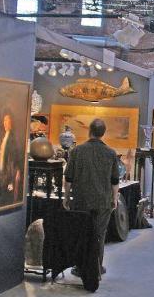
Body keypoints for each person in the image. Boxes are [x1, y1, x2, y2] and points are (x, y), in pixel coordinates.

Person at [63, 119, 119, 278]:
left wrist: (66, 197)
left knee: (81, 234)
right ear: (103, 133)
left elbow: (68, 178)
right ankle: (96, 268)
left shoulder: (76, 151)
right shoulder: (111, 153)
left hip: (81, 200)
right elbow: (115, 181)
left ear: (89, 131)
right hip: (103, 201)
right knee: (99, 235)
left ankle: (80, 267)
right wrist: (114, 198)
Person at [0, 109, 23, 211]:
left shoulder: (13, 138)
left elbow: (13, 160)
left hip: (7, 174)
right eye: (4, 120)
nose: (5, 123)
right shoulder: (1, 136)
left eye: (8, 120)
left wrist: (11, 179)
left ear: (12, 122)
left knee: (4, 199)